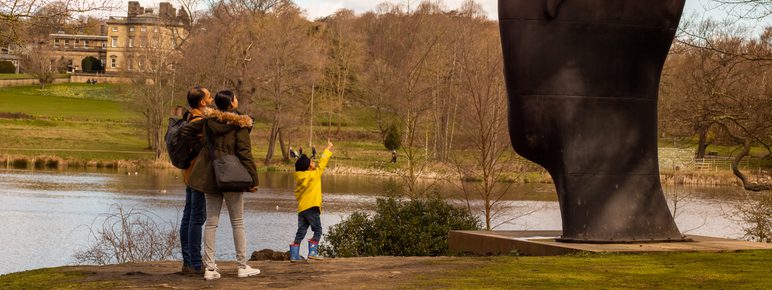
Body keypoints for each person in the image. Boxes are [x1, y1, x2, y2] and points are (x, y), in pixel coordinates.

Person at [185, 90, 261, 280]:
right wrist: (254, 179)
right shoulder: (240, 125)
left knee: (211, 222)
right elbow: (245, 153)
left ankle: (210, 268)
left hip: (212, 176)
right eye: (235, 97)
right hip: (232, 177)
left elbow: (188, 133)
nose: (237, 99)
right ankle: (242, 266)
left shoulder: (208, 122)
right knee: (238, 222)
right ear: (231, 104)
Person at [178, 87, 212, 275]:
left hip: (188, 173)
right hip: (197, 174)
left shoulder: (189, 117)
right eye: (209, 96)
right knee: (197, 218)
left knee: (189, 215)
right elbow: (200, 145)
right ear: (202, 102)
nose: (212, 97)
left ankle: (188, 261)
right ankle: (195, 264)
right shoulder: (199, 121)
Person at [289, 139, 334, 262]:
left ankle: (294, 255)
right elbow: (322, 164)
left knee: (301, 231)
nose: (314, 162)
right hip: (312, 207)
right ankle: (313, 252)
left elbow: (297, 194)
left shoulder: (299, 179)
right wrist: (327, 149)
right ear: (309, 168)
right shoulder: (314, 175)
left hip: (302, 209)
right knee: (318, 230)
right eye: (312, 162)